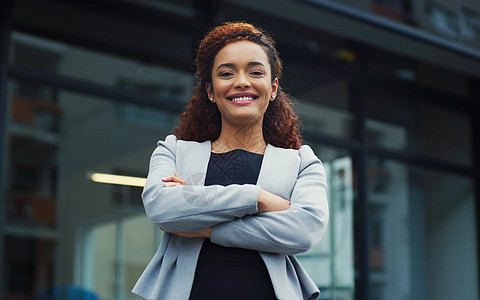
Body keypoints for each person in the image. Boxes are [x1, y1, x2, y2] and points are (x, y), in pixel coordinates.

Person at [132, 22, 329, 300]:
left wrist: (205, 227)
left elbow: (303, 231)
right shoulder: (174, 151)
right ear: (211, 90)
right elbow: (160, 207)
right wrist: (257, 198)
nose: (241, 81)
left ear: (273, 88)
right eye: (226, 73)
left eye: (255, 72)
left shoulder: (301, 163)